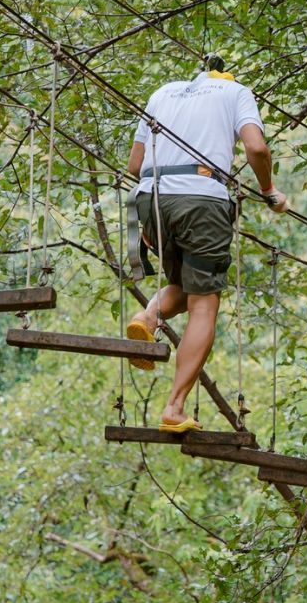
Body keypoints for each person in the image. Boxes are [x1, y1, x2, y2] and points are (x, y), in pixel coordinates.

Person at [123, 55, 288, 433]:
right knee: (204, 303)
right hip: (200, 200)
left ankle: (147, 317)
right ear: (226, 76)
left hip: (151, 198)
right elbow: (257, 149)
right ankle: (175, 408)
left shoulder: (162, 93)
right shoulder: (236, 92)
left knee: (188, 285)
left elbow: (134, 165)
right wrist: (269, 192)